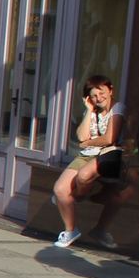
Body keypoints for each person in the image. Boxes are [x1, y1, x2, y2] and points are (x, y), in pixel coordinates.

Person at [50, 76, 124, 249]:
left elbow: (109, 138)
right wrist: (89, 110)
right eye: (94, 95)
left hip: (108, 155)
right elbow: (81, 136)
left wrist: (89, 142)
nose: (99, 98)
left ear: (110, 90)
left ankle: (78, 196)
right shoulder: (92, 110)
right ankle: (71, 231)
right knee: (59, 190)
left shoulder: (118, 108)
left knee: (84, 176)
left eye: (102, 93)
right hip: (86, 155)